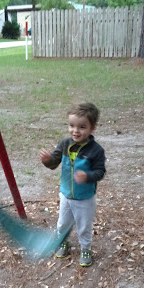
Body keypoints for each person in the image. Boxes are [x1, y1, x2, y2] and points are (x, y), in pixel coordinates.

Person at [40, 103, 106, 267]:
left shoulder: (96, 150)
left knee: (84, 226)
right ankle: (63, 242)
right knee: (62, 224)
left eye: (82, 127)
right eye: (72, 126)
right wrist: (48, 161)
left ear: (92, 128)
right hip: (66, 195)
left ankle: (85, 248)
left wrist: (88, 176)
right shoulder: (65, 144)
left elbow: (100, 172)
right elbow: (55, 162)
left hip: (84, 198)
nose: (75, 131)